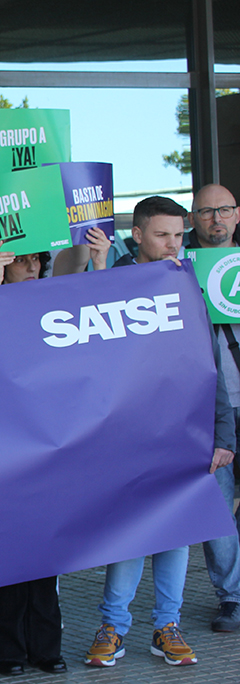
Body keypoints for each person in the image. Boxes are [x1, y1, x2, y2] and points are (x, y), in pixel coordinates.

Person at [84, 196, 236, 668]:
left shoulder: (189, 282)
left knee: (177, 532)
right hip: (130, 433)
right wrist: (98, 267)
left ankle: (166, 626)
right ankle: (112, 627)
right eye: (162, 235)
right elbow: (88, 336)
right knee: (132, 531)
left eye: (177, 235)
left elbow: (209, 365)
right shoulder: (115, 279)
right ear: (138, 236)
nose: (173, 244)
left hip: (185, 433)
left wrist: (223, 437)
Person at [0, 243, 65, 677]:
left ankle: (46, 648)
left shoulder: (53, 305)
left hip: (45, 442)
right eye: (20, 260)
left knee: (45, 556)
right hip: (0, 447)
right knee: (9, 552)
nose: (30, 267)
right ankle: (7, 650)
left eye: (36, 260)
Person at [181, 183, 240, 633]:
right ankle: (232, 599)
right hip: (207, 406)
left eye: (224, 210)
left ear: (237, 215)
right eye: (206, 211)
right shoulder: (173, 270)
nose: (216, 219)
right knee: (217, 505)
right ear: (193, 218)